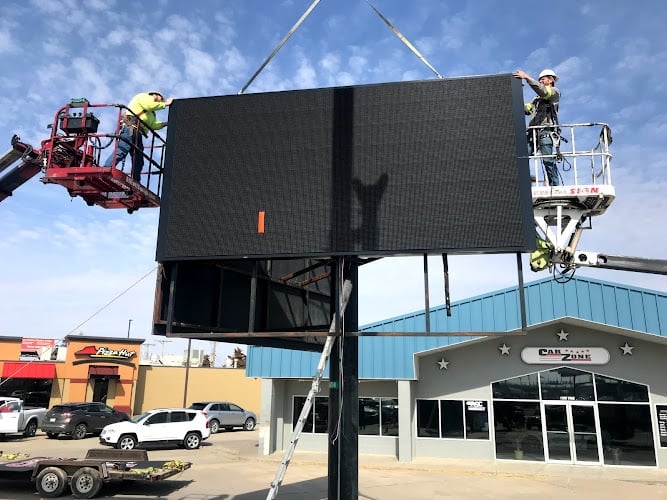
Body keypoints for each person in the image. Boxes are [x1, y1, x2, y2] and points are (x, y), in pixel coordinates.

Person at [104, 91, 173, 181]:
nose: (161, 101)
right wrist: (166, 104)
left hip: (138, 133)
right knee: (122, 150)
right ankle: (105, 170)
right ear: (155, 95)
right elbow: (149, 105)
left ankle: (135, 181)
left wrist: (165, 124)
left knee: (139, 160)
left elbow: (153, 125)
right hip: (130, 128)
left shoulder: (152, 113)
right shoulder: (145, 97)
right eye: (161, 99)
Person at [512, 69, 561, 186]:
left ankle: (555, 186)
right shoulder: (536, 100)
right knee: (521, 157)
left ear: (551, 80)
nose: (541, 81)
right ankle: (525, 180)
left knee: (548, 160)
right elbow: (525, 108)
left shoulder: (554, 92)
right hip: (532, 134)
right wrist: (514, 95)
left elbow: (544, 91)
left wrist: (527, 77)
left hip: (545, 132)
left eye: (543, 79)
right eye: (540, 80)